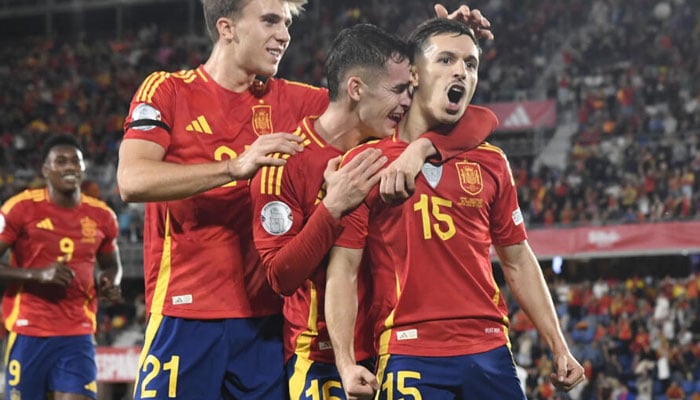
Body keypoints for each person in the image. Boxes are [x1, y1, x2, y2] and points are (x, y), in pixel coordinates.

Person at [118, 0, 492, 397]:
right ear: (227, 29)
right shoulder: (169, 90)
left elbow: (379, 89)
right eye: (270, 21)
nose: (284, 34)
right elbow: (132, 180)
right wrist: (233, 168)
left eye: (286, 22)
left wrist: (435, 55)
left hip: (269, 325)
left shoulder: (296, 102)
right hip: (187, 313)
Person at [325, 18, 585, 400]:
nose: (461, 70)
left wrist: (559, 345)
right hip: (409, 348)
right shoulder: (366, 163)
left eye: (470, 64)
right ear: (413, 74)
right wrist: (346, 364)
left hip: (490, 348)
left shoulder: (492, 162)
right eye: (446, 60)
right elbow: (343, 270)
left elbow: (517, 260)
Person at [249, 19, 495, 399]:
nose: (408, 101)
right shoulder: (287, 162)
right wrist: (331, 209)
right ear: (356, 90)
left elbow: (479, 119)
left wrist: (446, 36)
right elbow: (280, 277)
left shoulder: (388, 147)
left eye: (411, 89)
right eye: (399, 90)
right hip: (324, 360)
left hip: (392, 352)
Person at [0, 134, 123, 400]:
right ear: (46, 170)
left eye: (75, 161)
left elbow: (112, 265)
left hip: (78, 332)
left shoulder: (103, 216)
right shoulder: (19, 209)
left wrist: (111, 281)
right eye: (61, 161)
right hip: (29, 330)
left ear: (83, 168)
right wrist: (37, 274)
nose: (69, 167)